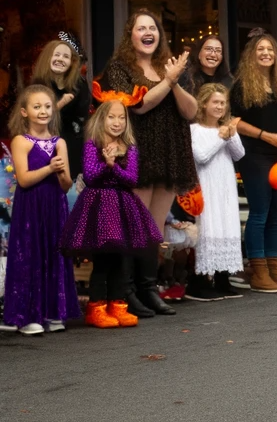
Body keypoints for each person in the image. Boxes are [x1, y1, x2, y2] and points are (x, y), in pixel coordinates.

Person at [97, 10, 197, 317]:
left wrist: (175, 81)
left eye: (152, 27)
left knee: (153, 228)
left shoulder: (170, 67)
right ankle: (125, 292)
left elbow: (191, 111)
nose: (147, 32)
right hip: (139, 149)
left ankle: (148, 288)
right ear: (131, 35)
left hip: (170, 149)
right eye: (141, 28)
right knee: (134, 225)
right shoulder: (119, 67)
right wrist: (168, 79)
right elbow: (138, 106)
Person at [60, 98, 162, 328]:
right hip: (99, 205)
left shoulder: (131, 147)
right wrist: (105, 163)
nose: (117, 122)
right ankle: (96, 308)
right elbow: (90, 176)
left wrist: (114, 164)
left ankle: (118, 305)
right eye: (112, 117)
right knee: (103, 261)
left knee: (121, 260)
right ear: (101, 118)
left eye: (122, 117)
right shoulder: (92, 144)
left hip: (122, 206)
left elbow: (132, 179)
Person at [2, 85, 78, 336]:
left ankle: (54, 312)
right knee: (31, 255)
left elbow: (65, 184)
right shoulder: (21, 141)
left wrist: (62, 173)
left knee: (54, 254)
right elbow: (23, 180)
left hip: (55, 207)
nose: (43, 111)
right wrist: (49, 168)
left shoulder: (60, 142)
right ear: (24, 112)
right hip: (30, 209)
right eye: (37, 106)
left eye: (47, 106)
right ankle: (28, 316)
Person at [229, 30, 277, 293]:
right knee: (259, 213)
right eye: (260, 49)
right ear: (251, 54)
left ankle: (276, 268)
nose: (266, 53)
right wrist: (265, 136)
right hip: (255, 154)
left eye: (270, 49)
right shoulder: (242, 86)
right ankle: (258, 271)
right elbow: (233, 120)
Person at [189, 83, 247, 300]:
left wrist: (230, 136)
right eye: (215, 102)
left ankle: (223, 277)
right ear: (204, 104)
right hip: (206, 185)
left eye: (223, 103)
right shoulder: (194, 130)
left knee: (226, 226)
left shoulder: (226, 129)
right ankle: (201, 281)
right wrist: (221, 138)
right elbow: (202, 156)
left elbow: (239, 154)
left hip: (225, 185)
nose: (220, 106)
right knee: (208, 227)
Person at [31, 36, 89, 180]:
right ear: (47, 58)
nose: (60, 59)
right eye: (56, 55)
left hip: (73, 144)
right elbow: (37, 119)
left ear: (71, 63)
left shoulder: (79, 84)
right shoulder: (38, 85)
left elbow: (83, 116)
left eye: (66, 56)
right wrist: (60, 104)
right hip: (45, 143)